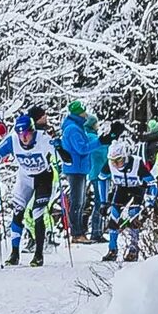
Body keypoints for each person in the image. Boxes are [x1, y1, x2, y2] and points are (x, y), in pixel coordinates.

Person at [1, 108, 58, 267]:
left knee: (37, 212)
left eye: (27, 134)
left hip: (44, 178)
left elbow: (64, 158)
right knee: (18, 211)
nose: (24, 138)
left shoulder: (43, 138)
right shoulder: (12, 140)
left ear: (33, 131)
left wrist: (59, 147)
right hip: (25, 178)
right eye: (21, 135)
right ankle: (14, 253)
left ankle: (38, 254)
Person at [57, 100, 104, 245]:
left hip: (79, 168)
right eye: (83, 111)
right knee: (77, 201)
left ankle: (78, 232)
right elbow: (82, 148)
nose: (85, 114)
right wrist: (100, 142)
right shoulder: (73, 129)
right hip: (75, 168)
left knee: (80, 201)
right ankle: (77, 233)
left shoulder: (76, 126)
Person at [103, 126, 150, 262]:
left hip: (137, 189)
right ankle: (112, 249)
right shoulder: (110, 164)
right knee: (114, 216)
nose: (116, 164)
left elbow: (151, 182)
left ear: (125, 156)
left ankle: (133, 249)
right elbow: (101, 179)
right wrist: (103, 200)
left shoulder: (136, 163)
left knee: (133, 215)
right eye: (113, 161)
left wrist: (150, 200)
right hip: (121, 189)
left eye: (119, 160)